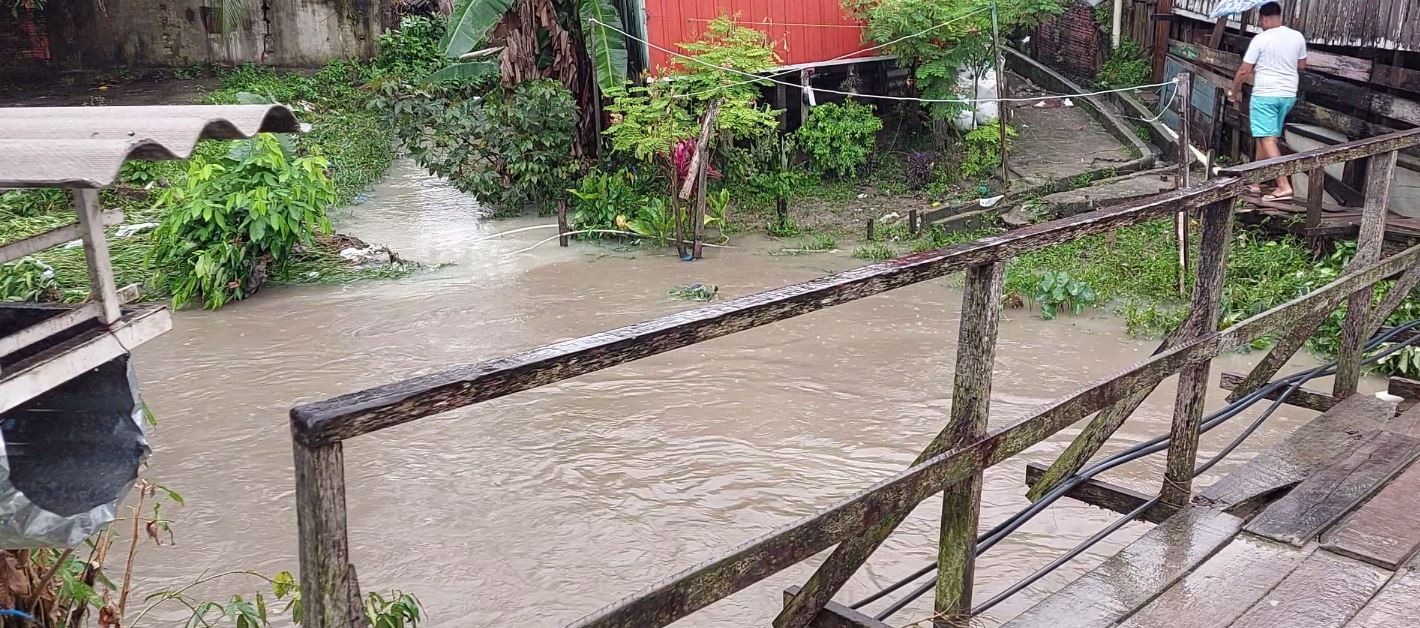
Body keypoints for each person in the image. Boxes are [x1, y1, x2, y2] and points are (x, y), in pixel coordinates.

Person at [1227, 1, 1308, 202]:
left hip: (1266, 95)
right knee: (1265, 137)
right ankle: (1255, 182)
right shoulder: (1297, 36)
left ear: (1264, 18)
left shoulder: (1261, 39)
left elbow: (1244, 70)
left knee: (1268, 139)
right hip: (1288, 95)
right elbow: (1302, 65)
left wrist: (1234, 91)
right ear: (1280, 16)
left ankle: (1283, 185)